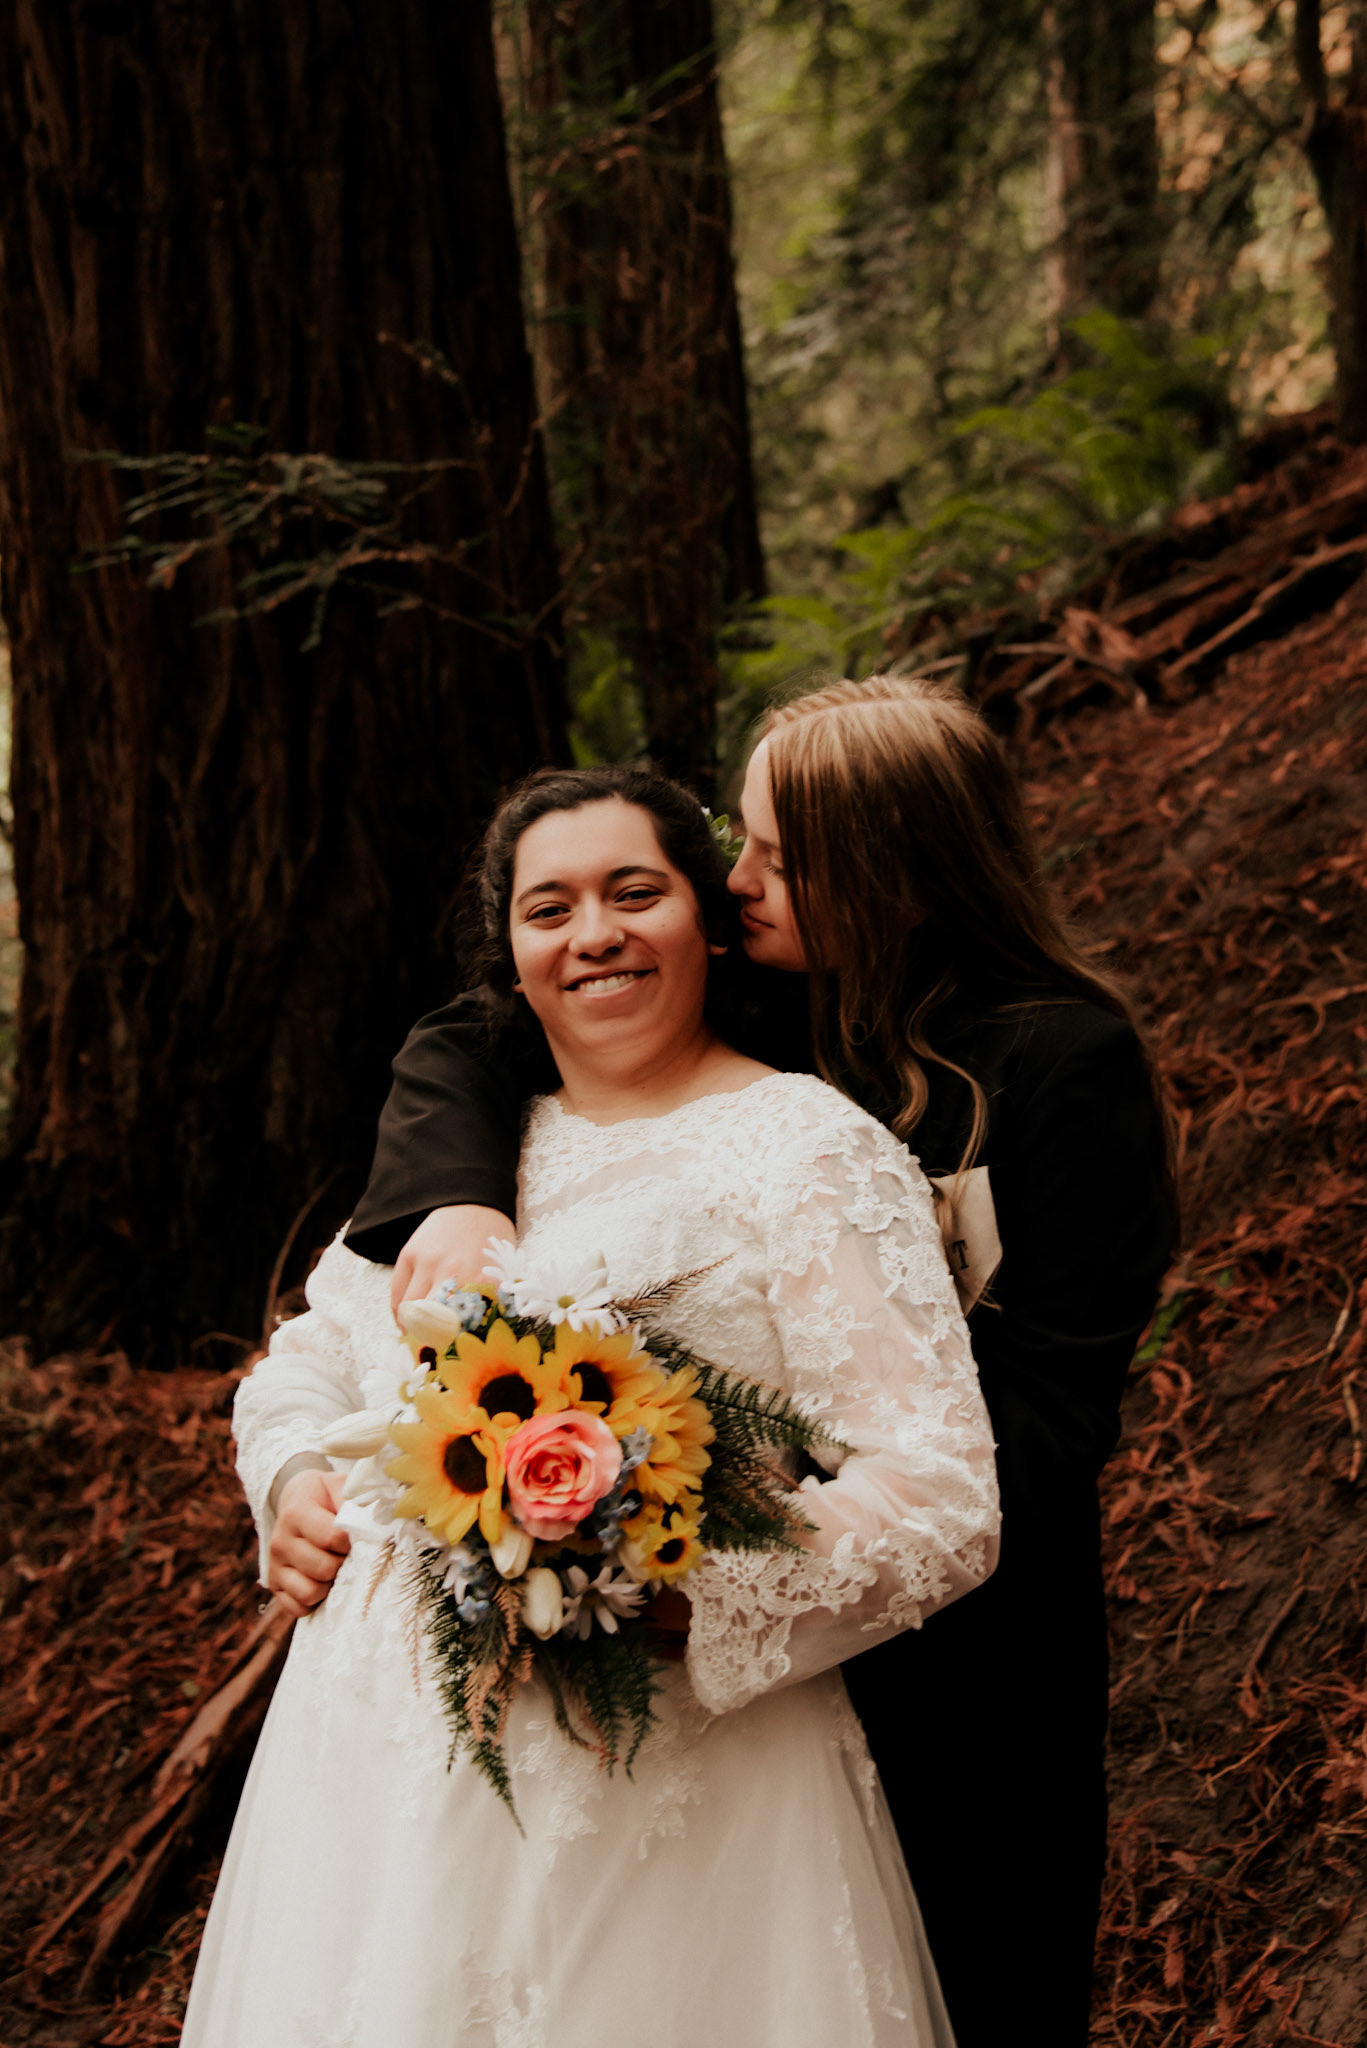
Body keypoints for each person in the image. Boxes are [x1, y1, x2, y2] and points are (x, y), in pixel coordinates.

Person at [338, 678, 1176, 2048]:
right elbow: (469, 1032)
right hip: (705, 1649)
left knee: (978, 1985)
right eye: (738, 842)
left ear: (892, 865)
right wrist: (459, 1194)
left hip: (969, 1652)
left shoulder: (1064, 1064)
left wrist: (765, 1540)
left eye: (777, 857)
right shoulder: (767, 998)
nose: (735, 884)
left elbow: (1049, 1402)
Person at [182, 764, 1001, 2048]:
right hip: (370, 1787)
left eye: (635, 892)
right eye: (549, 908)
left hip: (667, 1778)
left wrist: (691, 1592)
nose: (594, 933)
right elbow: (306, 1359)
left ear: (707, 919)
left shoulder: (810, 1149)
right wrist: (289, 1481)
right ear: (511, 957)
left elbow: (940, 1492)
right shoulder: (466, 1152)